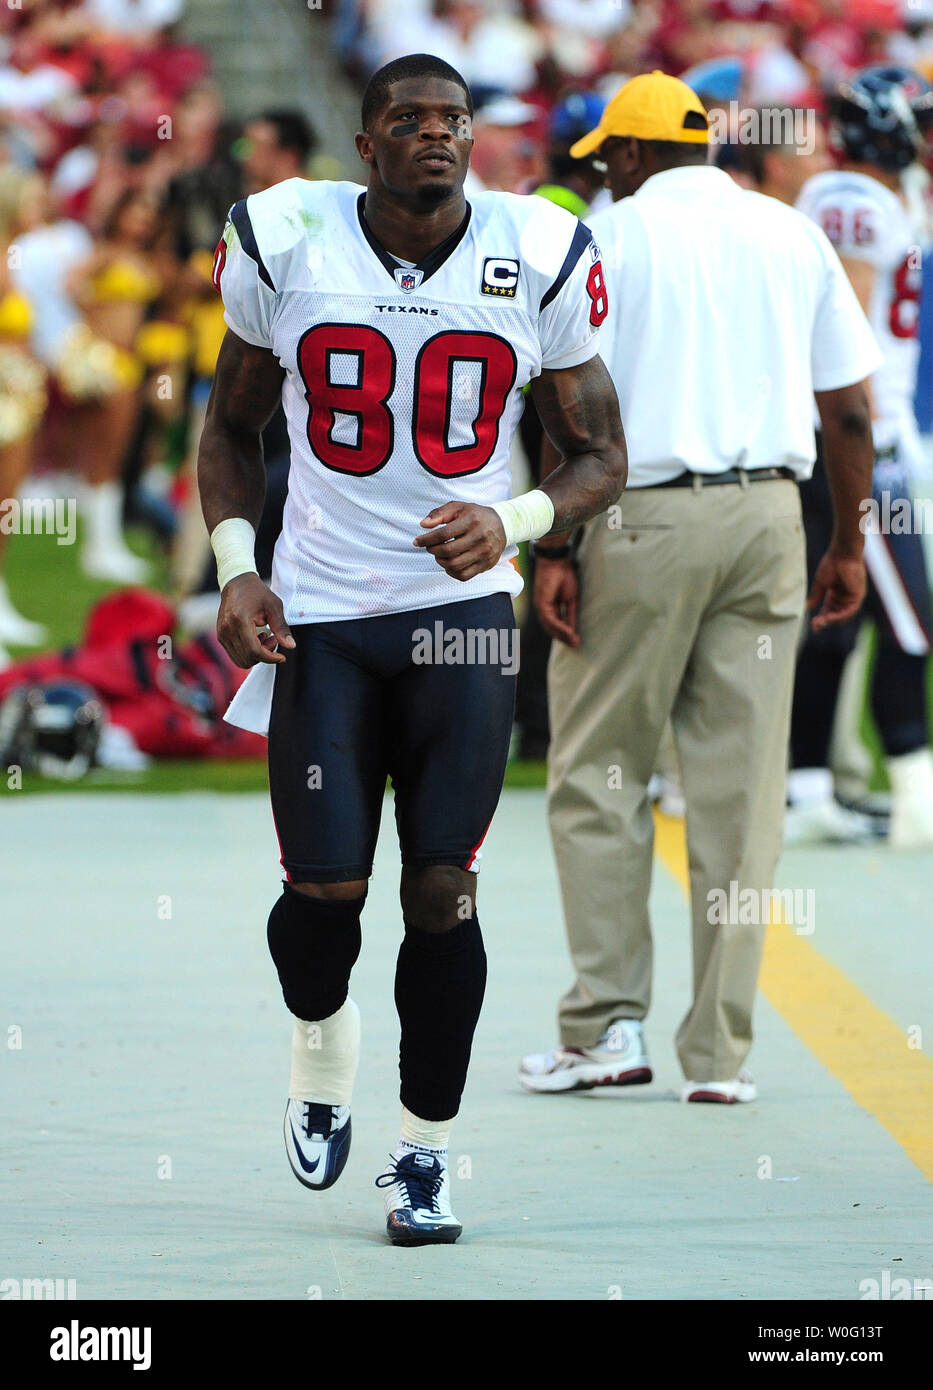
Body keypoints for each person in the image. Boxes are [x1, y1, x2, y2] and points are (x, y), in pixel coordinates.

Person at [198, 52, 626, 1244]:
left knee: (443, 889)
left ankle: (424, 1156)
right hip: (324, 612)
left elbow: (599, 456)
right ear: (366, 141)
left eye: (454, 120)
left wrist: (518, 518)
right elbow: (230, 427)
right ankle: (319, 1050)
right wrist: (238, 568)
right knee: (325, 897)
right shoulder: (286, 238)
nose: (437, 137)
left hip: (462, 620)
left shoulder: (536, 248)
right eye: (409, 120)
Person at [519, 71, 880, 1104]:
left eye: (606, 158)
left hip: (636, 515)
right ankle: (720, 1056)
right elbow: (847, 408)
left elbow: (561, 404)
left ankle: (606, 1025)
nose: (601, 174)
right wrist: (845, 542)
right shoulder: (788, 231)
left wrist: (553, 549)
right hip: (770, 513)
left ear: (630, 155)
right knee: (739, 790)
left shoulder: (603, 240)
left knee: (602, 773)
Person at [788, 65, 933, 849]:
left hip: (869, 434)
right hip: (856, 439)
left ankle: (809, 788)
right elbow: (840, 331)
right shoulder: (848, 199)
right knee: (908, 620)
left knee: (837, 618)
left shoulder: (872, 195)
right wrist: (863, 433)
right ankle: (913, 790)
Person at [240, 109, 317, 195]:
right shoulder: (254, 201)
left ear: (289, 155)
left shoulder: (316, 201)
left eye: (256, 147)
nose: (245, 156)